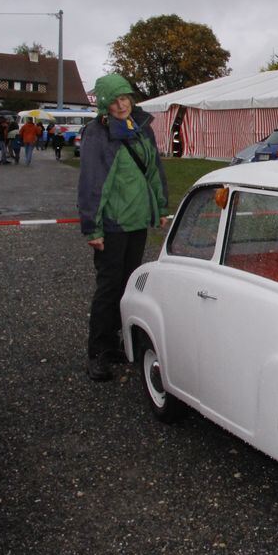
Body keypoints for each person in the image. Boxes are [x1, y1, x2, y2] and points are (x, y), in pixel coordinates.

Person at [78, 73, 169, 381]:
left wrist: (161, 207)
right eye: (114, 101)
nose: (122, 105)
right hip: (114, 224)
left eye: (125, 98)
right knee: (108, 287)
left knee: (130, 285)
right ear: (104, 105)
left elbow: (153, 170)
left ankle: (118, 341)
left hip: (137, 222)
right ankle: (98, 352)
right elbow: (92, 182)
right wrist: (94, 228)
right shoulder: (97, 134)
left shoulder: (142, 129)